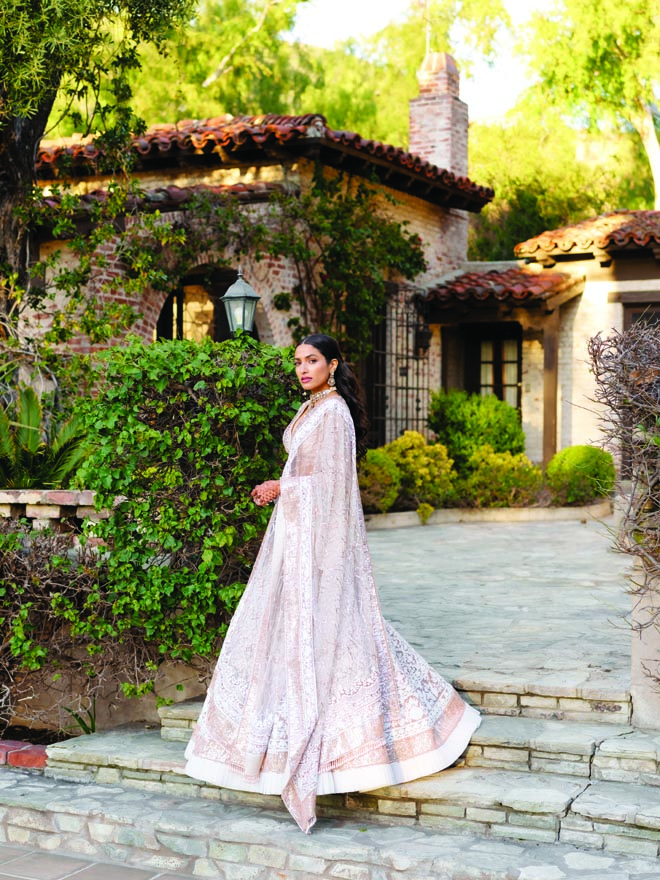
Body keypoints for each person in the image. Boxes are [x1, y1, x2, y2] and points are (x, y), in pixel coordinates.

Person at [184, 333, 480, 833]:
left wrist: (284, 487)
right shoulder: (312, 408)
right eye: (297, 361)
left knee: (342, 635)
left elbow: (334, 483)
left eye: (312, 360)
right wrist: (282, 489)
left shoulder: (335, 412)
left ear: (332, 364)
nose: (302, 368)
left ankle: (389, 734)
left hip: (319, 542)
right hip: (295, 539)